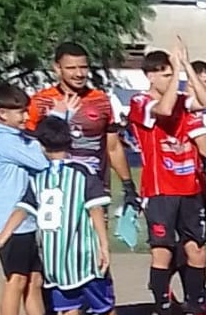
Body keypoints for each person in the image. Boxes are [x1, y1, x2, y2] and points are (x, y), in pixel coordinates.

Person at [0, 115, 153, 315]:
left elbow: (21, 210)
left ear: (41, 146)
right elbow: (95, 210)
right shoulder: (82, 172)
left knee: (69, 312)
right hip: (83, 257)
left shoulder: (38, 178)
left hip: (54, 261)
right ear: (71, 141)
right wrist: (103, 245)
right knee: (104, 308)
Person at [127, 42, 206, 315]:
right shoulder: (140, 102)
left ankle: (196, 313)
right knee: (163, 252)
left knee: (197, 250)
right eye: (166, 75)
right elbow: (164, 109)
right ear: (150, 76)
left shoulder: (182, 100)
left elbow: (205, 101)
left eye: (172, 74)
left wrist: (187, 66)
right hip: (160, 190)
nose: (172, 79)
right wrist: (177, 69)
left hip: (189, 189)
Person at [0, 81, 71, 315]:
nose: (24, 117)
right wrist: (57, 120)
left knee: (34, 280)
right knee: (16, 281)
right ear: (2, 114)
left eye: (24, 110)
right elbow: (43, 159)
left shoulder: (17, 137)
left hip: (27, 220)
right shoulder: (4, 140)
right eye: (19, 112)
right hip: (8, 220)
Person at [28, 42, 135, 214]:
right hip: (56, 190)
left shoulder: (101, 100)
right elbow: (30, 145)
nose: (79, 74)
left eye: (83, 67)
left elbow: (113, 147)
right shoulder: (41, 101)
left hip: (96, 189)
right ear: (57, 68)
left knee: (97, 232)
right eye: (71, 68)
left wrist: (128, 185)